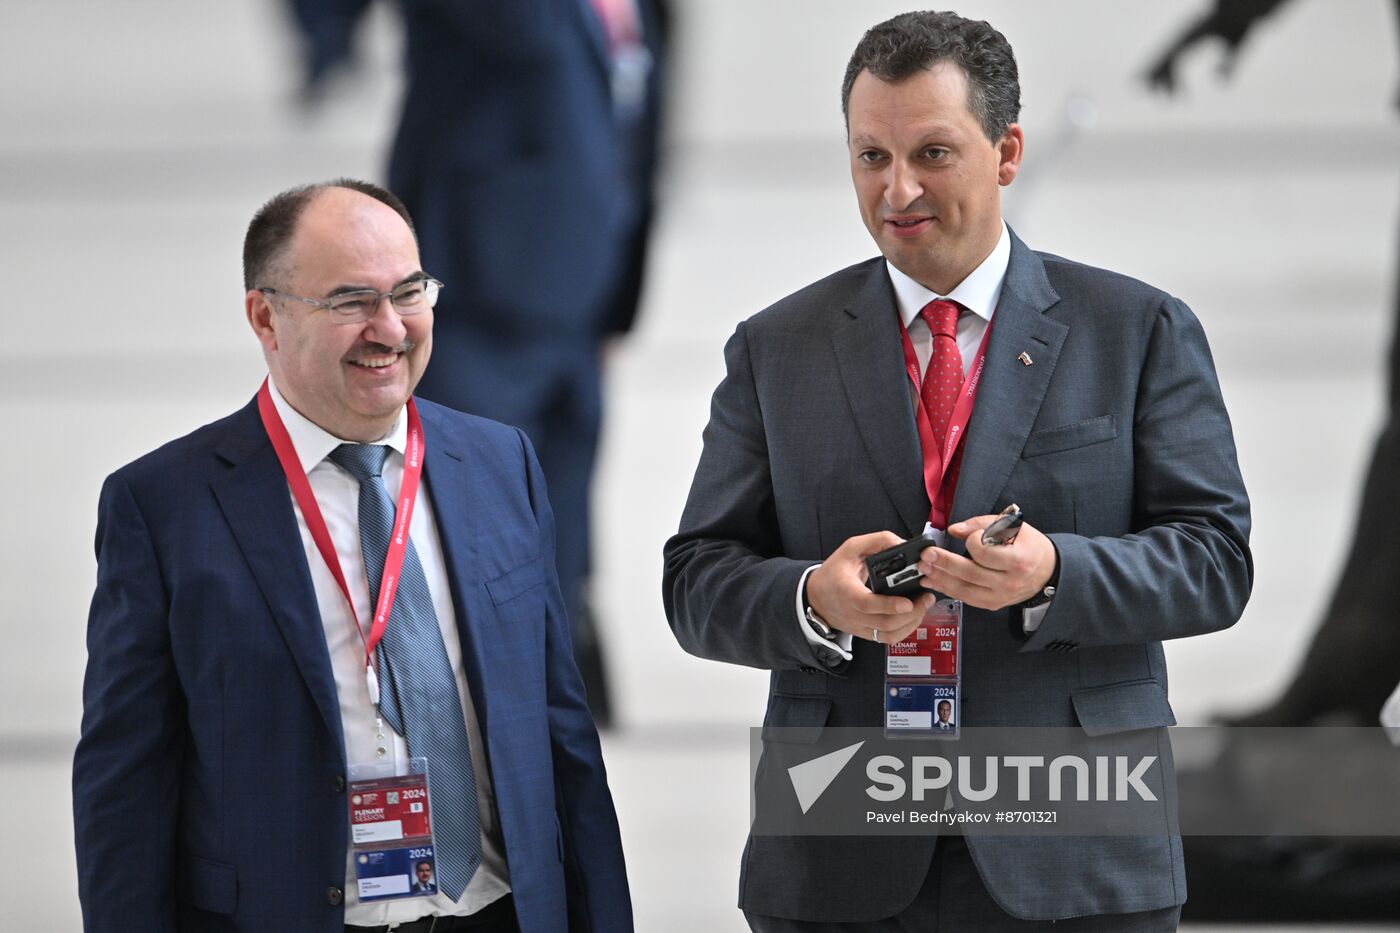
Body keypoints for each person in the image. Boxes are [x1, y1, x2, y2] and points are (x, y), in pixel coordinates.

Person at [663, 11, 1252, 931]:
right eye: (870, 157)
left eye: (932, 153)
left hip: (1077, 849)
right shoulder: (774, 350)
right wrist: (816, 597)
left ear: (1007, 150)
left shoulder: (1136, 330)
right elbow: (696, 580)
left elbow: (1216, 561)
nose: (897, 189)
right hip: (838, 854)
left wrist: (1055, 575)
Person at [72, 180, 631, 932]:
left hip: (501, 913)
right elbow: (125, 785)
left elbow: (563, 739)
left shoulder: (501, 466)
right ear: (266, 316)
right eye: (350, 302)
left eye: (408, 291)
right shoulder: (165, 506)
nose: (390, 328)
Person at [286, 0, 672, 727]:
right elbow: (518, 28)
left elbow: (640, 118)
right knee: (464, 517)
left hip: (582, 286)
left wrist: (619, 289)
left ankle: (550, 693)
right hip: (477, 285)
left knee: (560, 505)